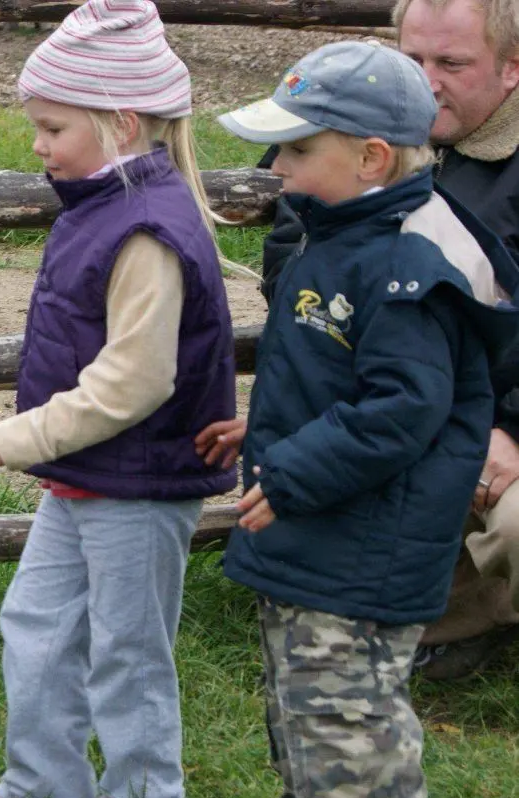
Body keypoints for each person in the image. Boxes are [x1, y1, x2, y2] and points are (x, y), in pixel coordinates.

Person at [217, 39, 519, 798]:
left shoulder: (409, 266)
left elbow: (401, 412)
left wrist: (295, 470)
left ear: (371, 158)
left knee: (346, 703)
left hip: (368, 535)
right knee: (300, 690)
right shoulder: (345, 234)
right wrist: (262, 423)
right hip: (326, 524)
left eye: (298, 150)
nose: (279, 169)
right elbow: (334, 375)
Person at [0, 0, 238, 798]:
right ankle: (43, 781)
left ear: (119, 122)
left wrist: (30, 434)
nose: (37, 144)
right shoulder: (100, 202)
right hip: (88, 476)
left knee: (126, 647)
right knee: (35, 623)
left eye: (51, 126)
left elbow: (136, 379)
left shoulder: (147, 228)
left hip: (139, 482)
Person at [200, 0, 519, 680]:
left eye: (452, 63)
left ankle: (437, 622)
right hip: (398, 403)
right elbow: (303, 271)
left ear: (512, 68)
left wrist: (510, 423)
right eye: (413, 59)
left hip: (475, 423)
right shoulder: (343, 162)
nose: (426, 81)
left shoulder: (410, 236)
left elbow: (410, 391)